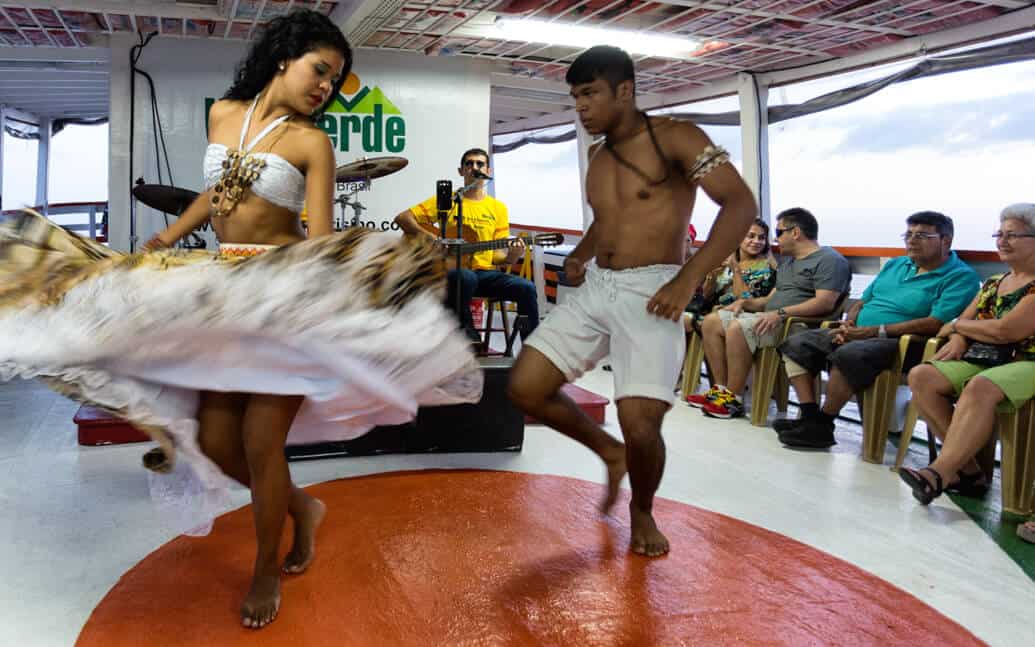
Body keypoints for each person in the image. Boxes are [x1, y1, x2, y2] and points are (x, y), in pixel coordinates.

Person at [0, 10, 481, 630]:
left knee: (260, 444)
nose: (325, 87)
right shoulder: (224, 114)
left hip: (280, 295)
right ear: (285, 57)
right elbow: (216, 190)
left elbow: (321, 234)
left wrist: (340, 282)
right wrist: (168, 234)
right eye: (320, 70)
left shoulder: (313, 142)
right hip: (223, 287)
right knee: (221, 444)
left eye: (334, 81)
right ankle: (302, 509)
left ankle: (264, 569)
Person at [507, 45, 757, 557]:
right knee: (526, 387)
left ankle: (641, 509)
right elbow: (608, 219)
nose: (581, 108)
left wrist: (688, 279)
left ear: (625, 91)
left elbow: (740, 204)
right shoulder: (598, 157)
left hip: (656, 290)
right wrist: (579, 254)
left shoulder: (678, 137)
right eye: (576, 97)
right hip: (599, 285)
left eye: (590, 94)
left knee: (642, 424)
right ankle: (608, 453)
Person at [776, 211, 978, 449]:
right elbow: (863, 301)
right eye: (908, 234)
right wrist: (849, 323)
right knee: (797, 343)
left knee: (849, 354)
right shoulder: (895, 264)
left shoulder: (961, 277)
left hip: (907, 343)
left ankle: (824, 423)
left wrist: (875, 331)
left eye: (921, 235)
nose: (911, 240)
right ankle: (811, 416)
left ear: (946, 240)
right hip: (861, 333)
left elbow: (935, 323)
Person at [900, 204, 1035, 505]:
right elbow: (958, 323)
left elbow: (1006, 331)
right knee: (922, 375)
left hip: (1027, 361)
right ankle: (969, 471)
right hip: (988, 358)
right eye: (999, 234)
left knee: (982, 386)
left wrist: (961, 327)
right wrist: (961, 335)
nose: (1002, 241)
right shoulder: (993, 283)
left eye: (1012, 235)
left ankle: (939, 473)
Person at [687, 208, 851, 419]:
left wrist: (780, 313)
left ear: (795, 232)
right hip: (772, 318)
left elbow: (825, 303)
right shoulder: (788, 263)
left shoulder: (830, 260)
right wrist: (744, 303)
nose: (776, 238)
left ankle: (733, 399)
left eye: (779, 231)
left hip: (799, 325)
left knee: (739, 327)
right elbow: (770, 299)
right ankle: (720, 391)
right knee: (712, 321)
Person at [394, 149, 538, 343]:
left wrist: (513, 256)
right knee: (466, 276)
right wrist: (432, 239)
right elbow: (403, 218)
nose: (474, 168)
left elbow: (498, 256)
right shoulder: (447, 201)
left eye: (479, 164)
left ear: (487, 170)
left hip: (486, 274)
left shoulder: (498, 208)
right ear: (461, 171)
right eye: (469, 164)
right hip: (452, 272)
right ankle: (468, 336)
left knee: (526, 287)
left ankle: (532, 347)